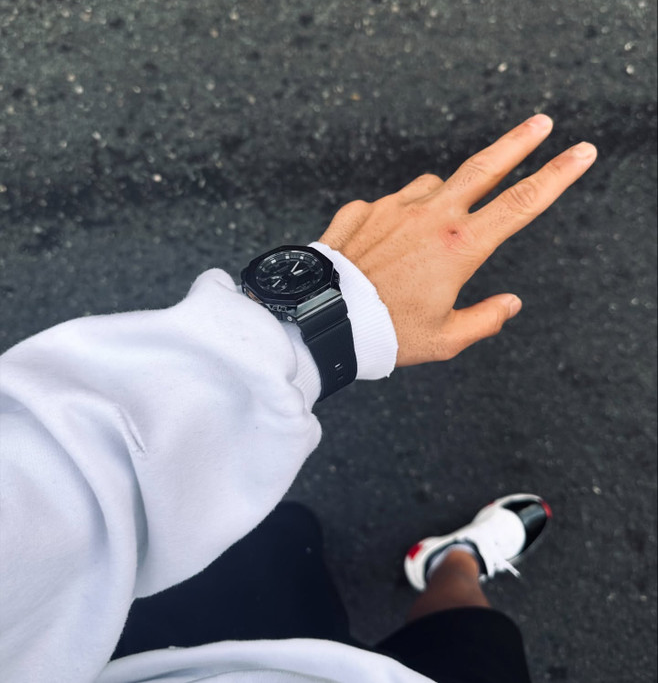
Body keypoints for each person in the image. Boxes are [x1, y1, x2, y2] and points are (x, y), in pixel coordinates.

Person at [0, 114, 597, 683]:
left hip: (139, 633)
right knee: (477, 639)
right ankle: (456, 563)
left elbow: (36, 508)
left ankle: (442, 562)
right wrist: (327, 317)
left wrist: (321, 320)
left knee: (262, 547)